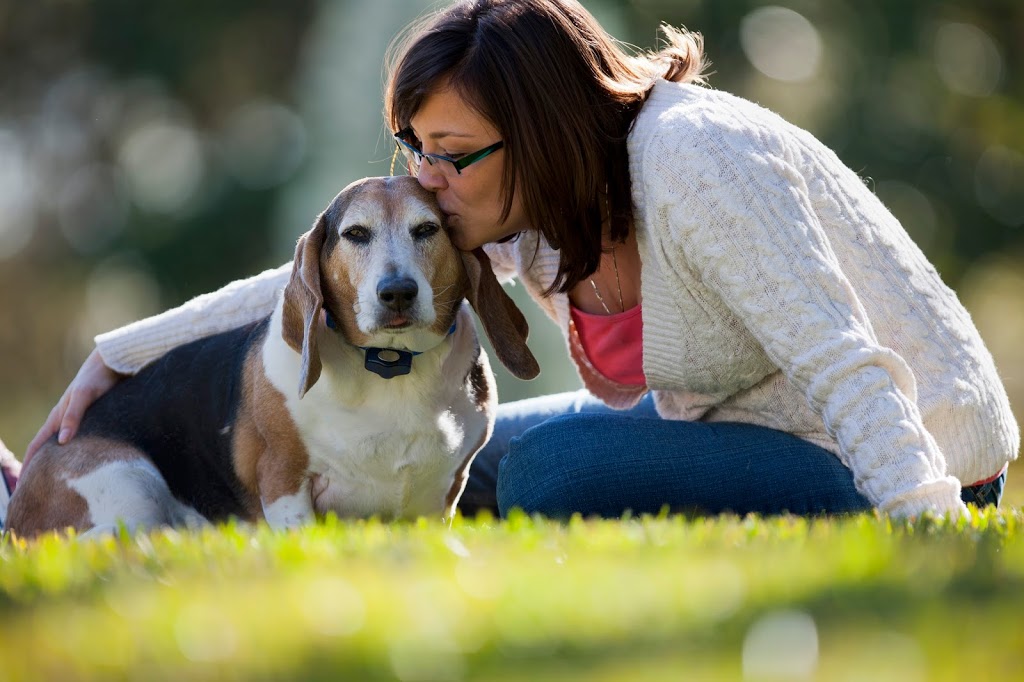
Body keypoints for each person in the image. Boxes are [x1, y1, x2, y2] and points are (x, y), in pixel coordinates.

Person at [19, 0, 1018, 520]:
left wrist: (925, 516)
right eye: (415, 147)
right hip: (734, 433)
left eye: (449, 155)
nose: (424, 178)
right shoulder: (507, 207)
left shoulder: (698, 159)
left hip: (907, 456)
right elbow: (319, 268)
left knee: (543, 471)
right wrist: (127, 350)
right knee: (467, 454)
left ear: (537, 129)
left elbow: (844, 357)